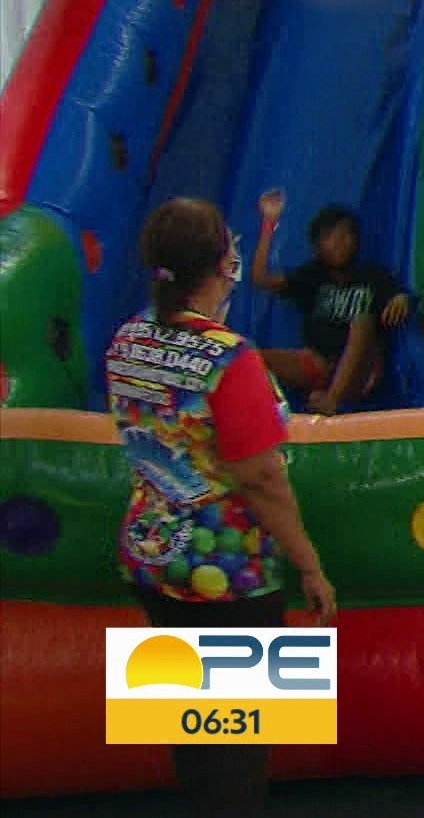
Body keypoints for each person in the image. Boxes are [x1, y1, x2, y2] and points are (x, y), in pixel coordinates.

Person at [110, 198, 338, 815]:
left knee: (191, 731)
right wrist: (309, 564)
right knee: (237, 750)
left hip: (153, 555)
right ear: (222, 264)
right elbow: (261, 477)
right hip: (227, 571)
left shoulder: (129, 337)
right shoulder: (228, 356)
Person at [251, 192, 408, 414]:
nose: (340, 243)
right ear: (317, 246)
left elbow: (398, 295)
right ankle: (266, 414)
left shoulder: (371, 276)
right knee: (250, 357)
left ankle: (331, 400)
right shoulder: (313, 276)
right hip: (319, 365)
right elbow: (260, 278)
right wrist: (269, 224)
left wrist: (401, 299)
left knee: (361, 320)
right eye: (331, 237)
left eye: (346, 236)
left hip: (362, 373)